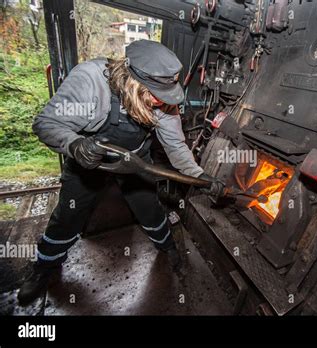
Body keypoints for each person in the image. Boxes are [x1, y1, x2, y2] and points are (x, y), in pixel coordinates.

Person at [18, 40, 221, 305]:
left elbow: (175, 146)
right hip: (89, 161)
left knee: (150, 208)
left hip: (136, 161)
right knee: (69, 215)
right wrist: (76, 145)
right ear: (134, 82)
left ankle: (167, 247)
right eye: (156, 96)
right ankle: (43, 268)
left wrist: (199, 176)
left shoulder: (163, 101)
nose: (162, 103)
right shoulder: (90, 81)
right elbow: (46, 123)